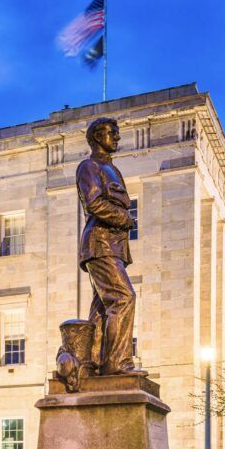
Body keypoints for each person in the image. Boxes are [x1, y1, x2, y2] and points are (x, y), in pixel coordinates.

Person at [76, 117, 145, 377]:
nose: (117, 137)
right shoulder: (89, 166)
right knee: (123, 297)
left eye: (117, 133)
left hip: (113, 246)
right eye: (111, 133)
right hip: (99, 243)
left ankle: (91, 362)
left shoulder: (113, 169)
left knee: (103, 307)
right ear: (96, 137)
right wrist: (125, 219)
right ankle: (117, 363)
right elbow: (94, 204)